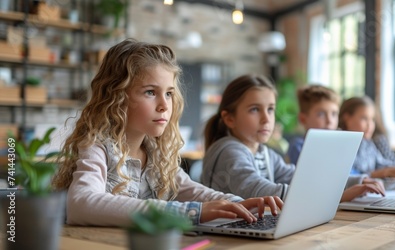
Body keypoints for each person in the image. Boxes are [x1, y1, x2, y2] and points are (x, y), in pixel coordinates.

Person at [51, 39, 282, 227]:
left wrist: (242, 204)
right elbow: (81, 203)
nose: (164, 105)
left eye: (169, 94)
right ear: (117, 97)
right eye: (151, 92)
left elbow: (193, 191)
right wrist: (193, 212)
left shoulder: (155, 152)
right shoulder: (97, 145)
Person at [200, 75, 385, 202]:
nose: (266, 118)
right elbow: (262, 191)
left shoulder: (264, 152)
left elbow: (300, 177)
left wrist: (358, 181)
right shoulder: (229, 151)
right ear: (229, 118)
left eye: (270, 109)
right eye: (255, 109)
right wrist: (335, 196)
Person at [339, 96, 395, 178]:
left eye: (372, 119)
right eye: (364, 118)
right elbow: (350, 177)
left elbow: (382, 163)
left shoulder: (367, 143)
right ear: (347, 118)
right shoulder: (340, 145)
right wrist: (386, 172)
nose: (370, 125)